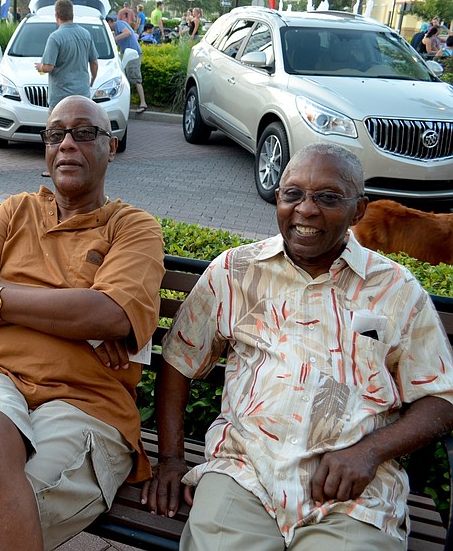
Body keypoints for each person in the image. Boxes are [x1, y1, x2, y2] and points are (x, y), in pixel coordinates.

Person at [142, 142, 453, 551]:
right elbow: (180, 359)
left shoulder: (396, 290)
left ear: (359, 211)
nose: (306, 209)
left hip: (352, 493)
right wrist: (171, 459)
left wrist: (370, 451)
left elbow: (441, 397)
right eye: (293, 194)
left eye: (327, 197)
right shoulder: (234, 271)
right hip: (244, 472)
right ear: (278, 198)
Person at [0, 95, 165, 550]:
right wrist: (73, 318)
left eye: (84, 133)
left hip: (86, 402)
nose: (67, 144)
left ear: (111, 147)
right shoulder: (15, 211)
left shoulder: (133, 227)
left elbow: (108, 314)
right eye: (56, 134)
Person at [35, 0, 99, 176]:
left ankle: (53, 168)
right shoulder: (86, 34)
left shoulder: (55, 37)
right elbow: (94, 62)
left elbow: (48, 66)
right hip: (82, 94)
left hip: (60, 96)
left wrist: (40, 67)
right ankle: (84, 165)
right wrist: (92, 80)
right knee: (81, 132)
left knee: (55, 133)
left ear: (57, 15)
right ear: (72, 14)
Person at [107, 16, 147, 114]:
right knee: (126, 78)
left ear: (110, 21)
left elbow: (127, 32)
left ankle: (143, 103)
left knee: (135, 78)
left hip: (133, 54)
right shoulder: (115, 30)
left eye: (107, 24)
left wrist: (114, 39)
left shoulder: (119, 24)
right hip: (126, 54)